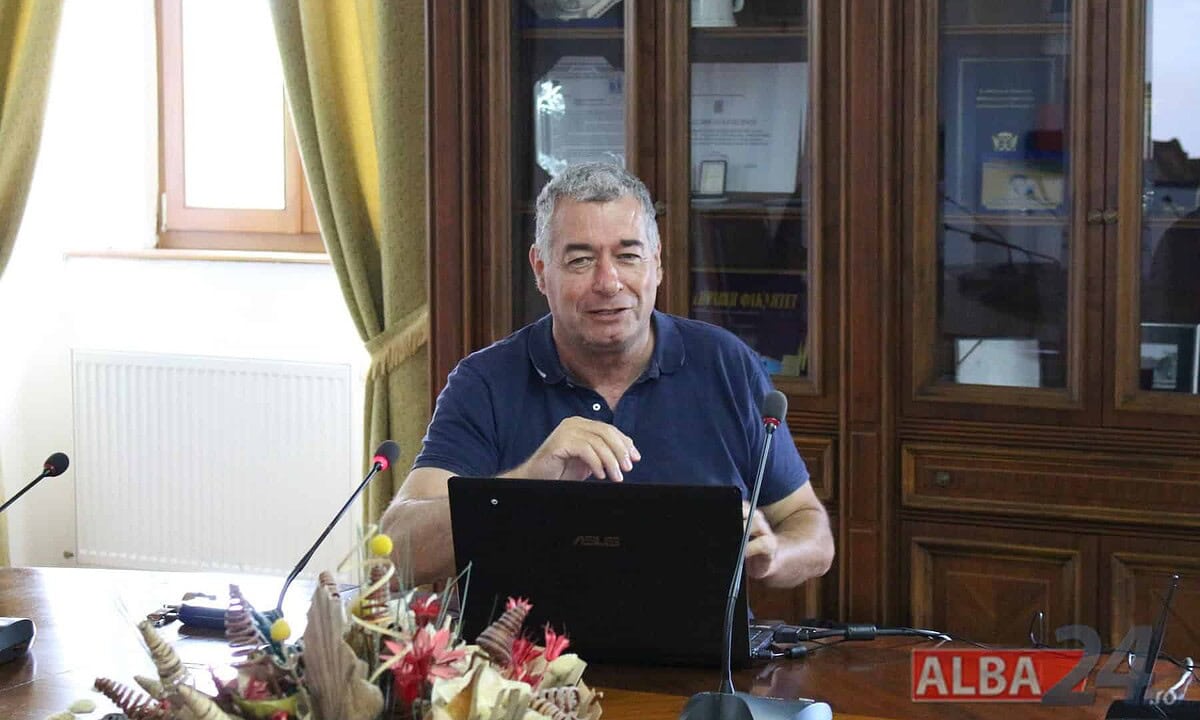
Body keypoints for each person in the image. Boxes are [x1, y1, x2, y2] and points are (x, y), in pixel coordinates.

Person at [381, 162, 834, 587]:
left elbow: (810, 527)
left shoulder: (726, 364)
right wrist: (528, 484)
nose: (608, 282)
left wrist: (774, 555)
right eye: (580, 260)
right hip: (526, 646)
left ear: (657, 263)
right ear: (541, 270)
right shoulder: (484, 382)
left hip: (704, 647)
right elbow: (395, 553)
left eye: (628, 255)